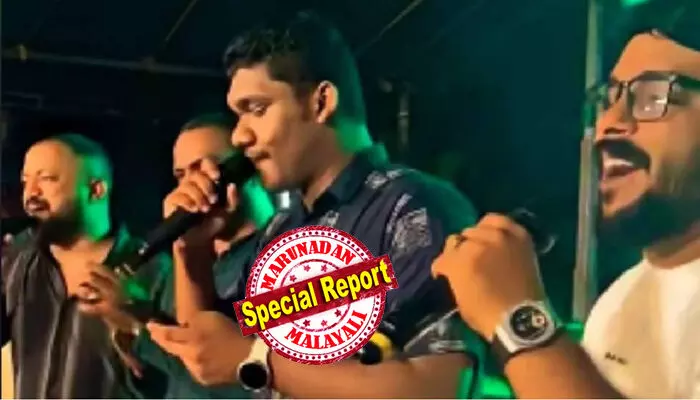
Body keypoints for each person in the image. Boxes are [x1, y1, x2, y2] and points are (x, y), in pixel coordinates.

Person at [146, 11, 479, 399]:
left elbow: (439, 388)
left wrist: (256, 359)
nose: (239, 136)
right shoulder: (282, 229)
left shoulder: (415, 207)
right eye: (238, 115)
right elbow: (209, 355)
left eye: (257, 109)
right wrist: (192, 252)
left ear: (322, 102)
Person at [432, 3, 700, 398]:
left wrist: (519, 319)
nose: (609, 123)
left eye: (653, 96)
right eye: (610, 97)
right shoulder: (624, 297)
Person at [90, 113, 276, 398]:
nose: (190, 185)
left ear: (244, 167)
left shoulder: (281, 262)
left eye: (203, 169)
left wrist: (139, 326)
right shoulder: (184, 264)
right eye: (181, 175)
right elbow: (165, 385)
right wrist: (130, 341)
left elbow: (238, 385)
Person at [1, 134, 167, 398]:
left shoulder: (156, 270)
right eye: (25, 181)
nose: (30, 194)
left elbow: (180, 382)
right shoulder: (17, 261)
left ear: (96, 190)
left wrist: (135, 328)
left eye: (47, 179)